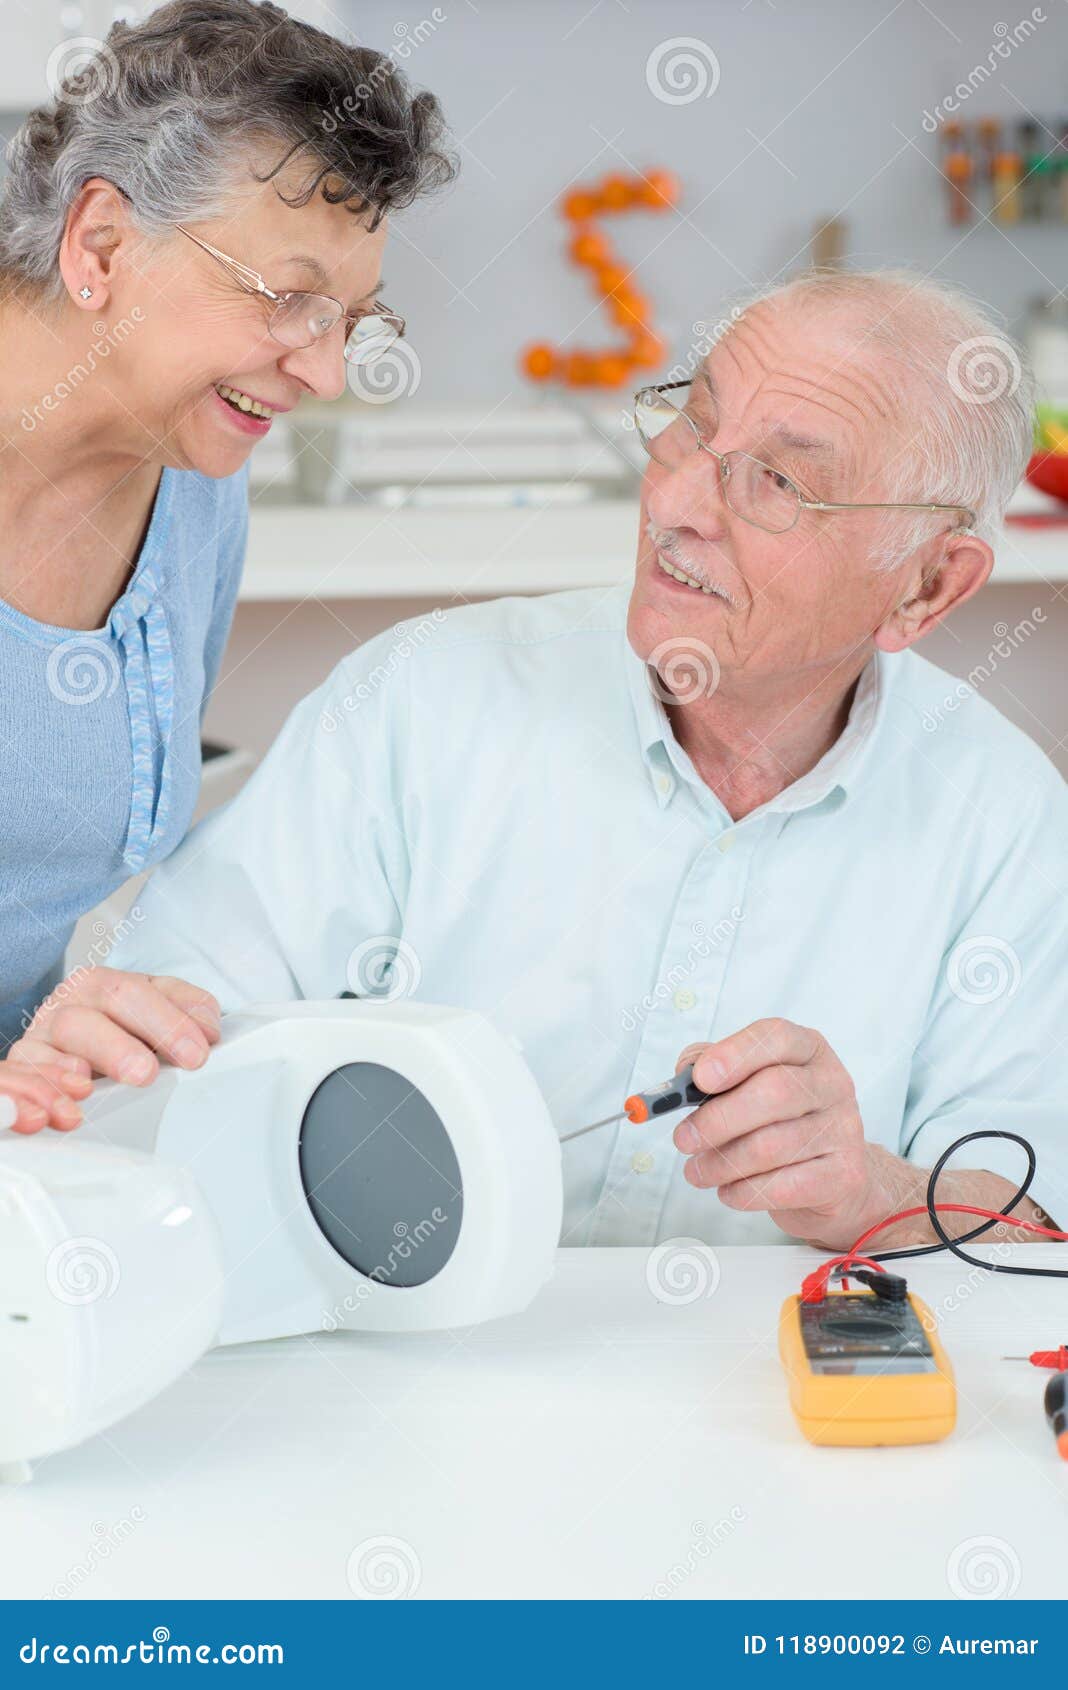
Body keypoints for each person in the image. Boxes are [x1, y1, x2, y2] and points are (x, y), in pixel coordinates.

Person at [15, 270, 1068, 1251]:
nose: (678, 505)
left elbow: (1039, 1220)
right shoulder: (424, 702)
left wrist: (869, 1189)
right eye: (691, 427)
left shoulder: (1006, 821)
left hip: (794, 1418)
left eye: (780, 481)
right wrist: (103, 1050)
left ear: (929, 587)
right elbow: (151, 1060)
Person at [0, 0, 451, 1129]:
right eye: (289, 300)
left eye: (352, 319)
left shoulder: (196, 476)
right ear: (101, 244)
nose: (328, 373)